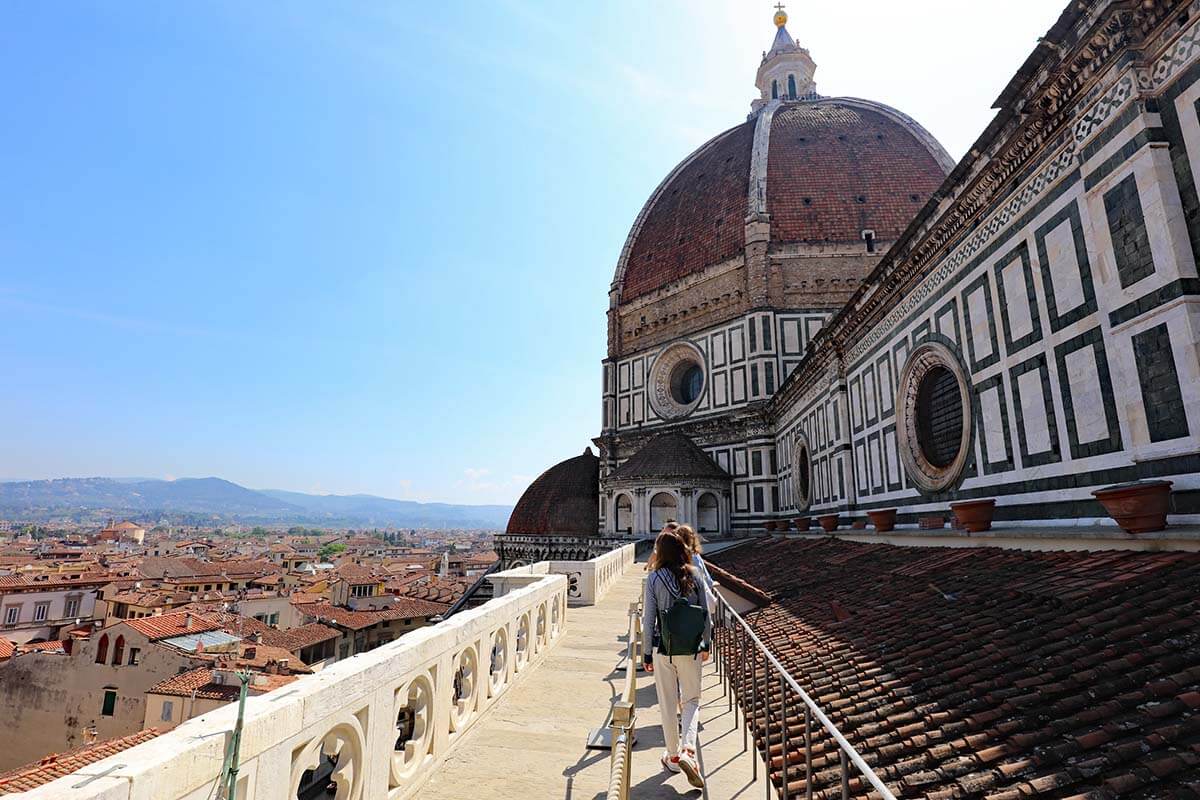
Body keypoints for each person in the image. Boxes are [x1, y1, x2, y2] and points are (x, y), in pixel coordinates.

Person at [642, 529, 712, 788]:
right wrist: (706, 643)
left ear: (660, 553)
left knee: (668, 703)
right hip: (691, 648)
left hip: (663, 649)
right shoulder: (694, 574)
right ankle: (689, 751)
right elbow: (706, 614)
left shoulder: (654, 578)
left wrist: (646, 653)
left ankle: (673, 756)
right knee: (692, 700)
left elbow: (648, 620)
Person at [675, 524, 715, 611]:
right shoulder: (695, 557)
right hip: (696, 604)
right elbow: (707, 581)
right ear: (692, 538)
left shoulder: (672, 558)